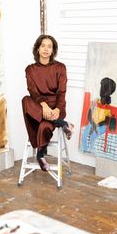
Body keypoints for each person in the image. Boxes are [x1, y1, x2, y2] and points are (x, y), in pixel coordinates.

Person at [22, 34, 74, 171]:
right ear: (37, 49)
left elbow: (62, 92)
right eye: (43, 46)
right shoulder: (30, 69)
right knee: (26, 100)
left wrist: (57, 109)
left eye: (49, 46)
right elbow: (33, 91)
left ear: (53, 50)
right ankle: (63, 124)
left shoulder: (60, 68)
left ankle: (40, 155)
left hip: (57, 107)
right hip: (39, 107)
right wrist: (43, 105)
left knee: (44, 126)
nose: (46, 49)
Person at [81, 77, 116, 153]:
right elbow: (89, 114)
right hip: (92, 123)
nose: (103, 99)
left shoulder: (108, 107)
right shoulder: (95, 101)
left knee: (94, 136)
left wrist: (96, 126)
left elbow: (106, 122)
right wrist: (93, 124)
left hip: (101, 126)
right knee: (85, 133)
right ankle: (85, 149)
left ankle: (91, 150)